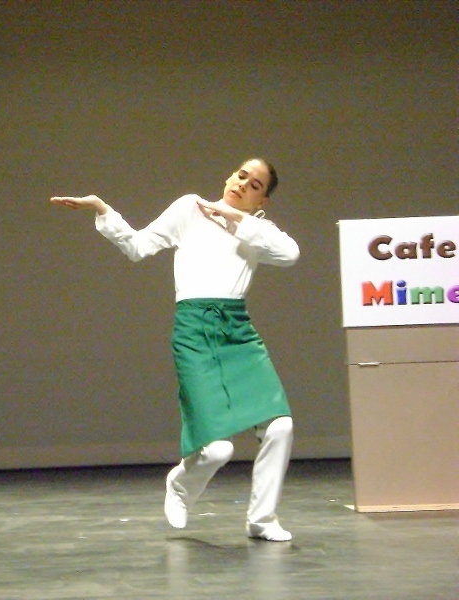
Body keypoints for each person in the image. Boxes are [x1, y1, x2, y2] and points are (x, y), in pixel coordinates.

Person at [50, 158, 300, 541]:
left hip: (236, 330)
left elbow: (290, 254)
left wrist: (236, 219)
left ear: (262, 199)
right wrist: (102, 209)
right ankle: (181, 485)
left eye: (254, 185)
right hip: (194, 329)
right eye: (241, 175)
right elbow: (137, 246)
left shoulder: (257, 230)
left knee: (280, 426)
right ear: (229, 175)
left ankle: (262, 519)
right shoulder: (190, 208)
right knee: (216, 450)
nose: (242, 184)